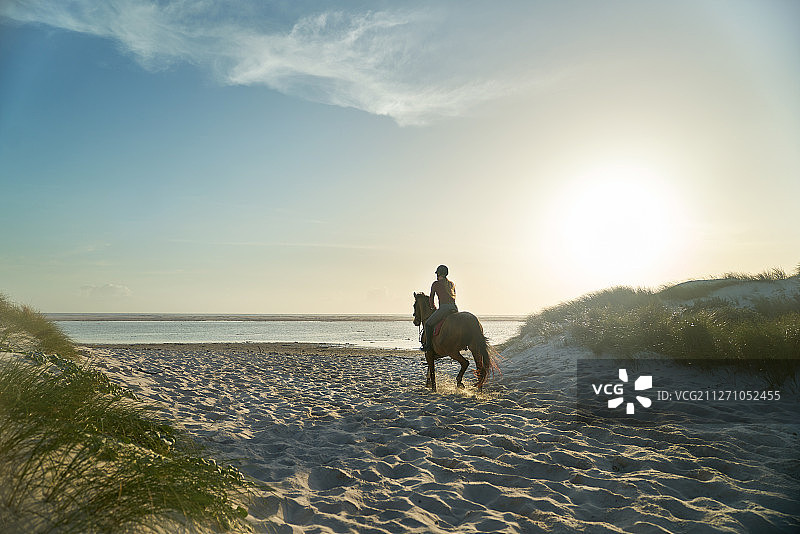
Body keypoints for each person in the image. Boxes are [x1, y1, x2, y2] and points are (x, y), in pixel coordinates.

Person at [422, 265, 458, 351]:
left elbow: (431, 298)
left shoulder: (436, 284)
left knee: (427, 324)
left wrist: (432, 307)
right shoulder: (451, 284)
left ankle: (429, 346)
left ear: (438, 274)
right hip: (454, 308)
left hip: (444, 308)